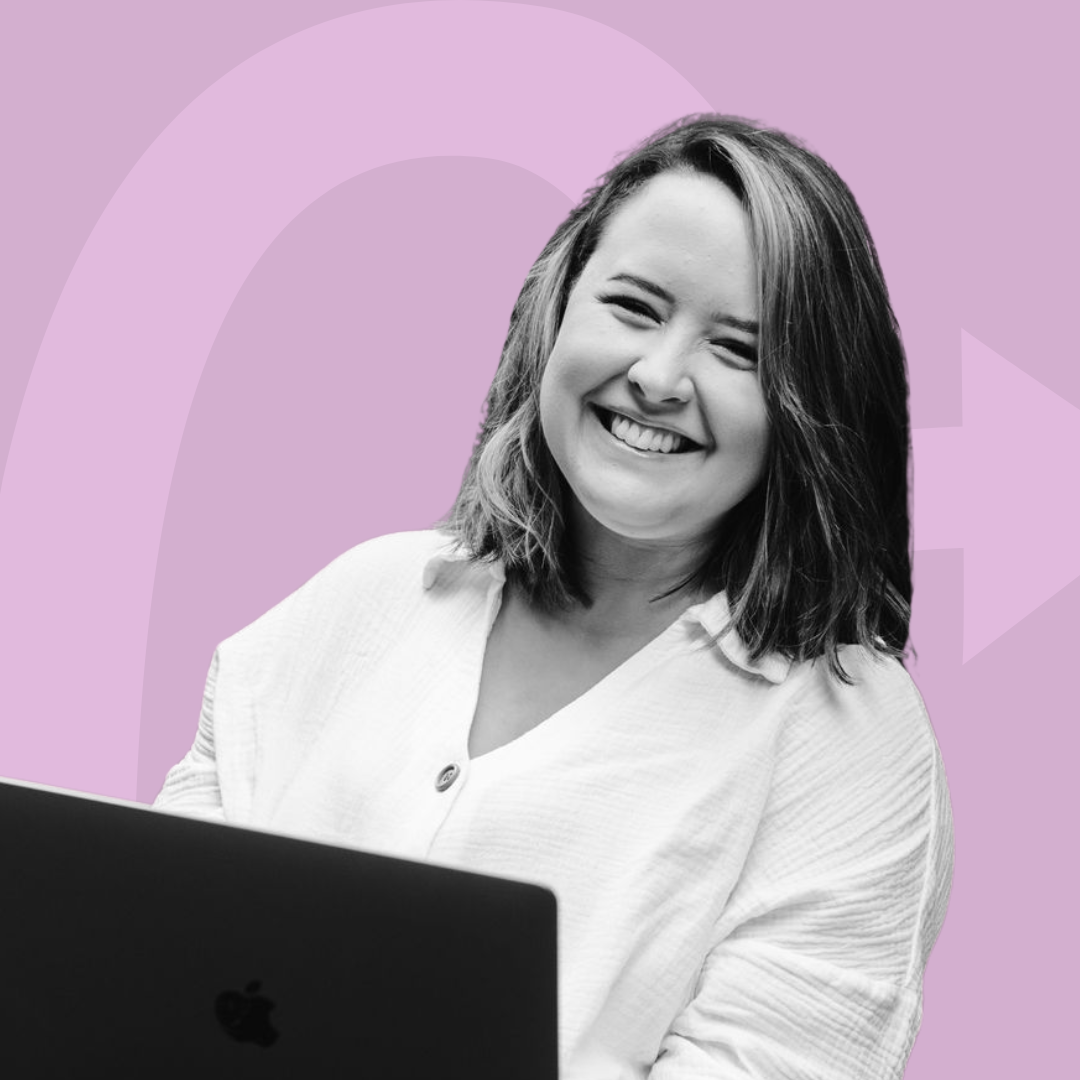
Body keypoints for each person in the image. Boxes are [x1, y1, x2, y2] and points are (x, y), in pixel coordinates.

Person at [155, 115, 953, 1078]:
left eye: (740, 350)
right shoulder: (362, 601)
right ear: (557, 310)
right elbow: (152, 957)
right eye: (634, 307)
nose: (658, 377)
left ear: (813, 407)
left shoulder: (844, 736)